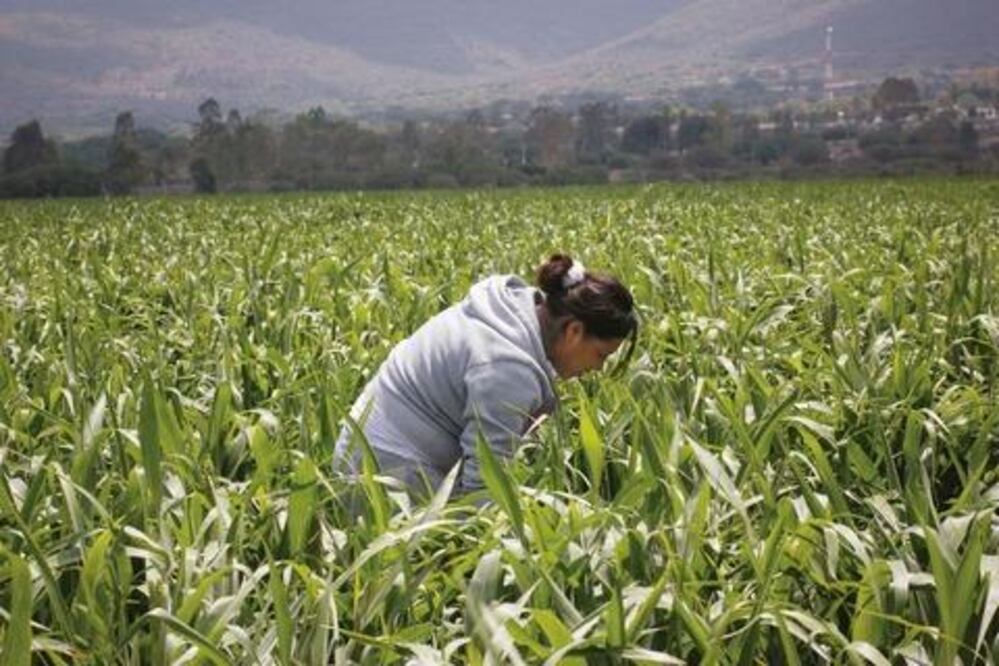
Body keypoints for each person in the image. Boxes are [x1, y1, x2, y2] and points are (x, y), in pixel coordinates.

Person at [333, 253, 638, 497]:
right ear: (574, 331)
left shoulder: (511, 311)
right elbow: (484, 488)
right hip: (385, 474)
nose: (598, 368)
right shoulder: (506, 368)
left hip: (368, 450)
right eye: (601, 355)